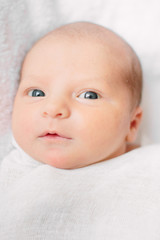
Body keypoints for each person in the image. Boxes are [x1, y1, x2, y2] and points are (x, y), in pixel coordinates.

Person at [0, 22, 160, 240]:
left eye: (89, 95)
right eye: (37, 92)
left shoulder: (150, 167)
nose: (53, 109)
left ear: (132, 124)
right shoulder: (9, 175)